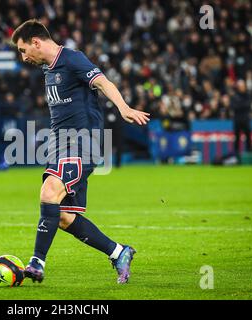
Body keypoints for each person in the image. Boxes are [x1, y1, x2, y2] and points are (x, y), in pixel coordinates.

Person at [11, 20, 150, 284]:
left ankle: (36, 262)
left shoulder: (73, 59)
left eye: (22, 49)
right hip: (60, 144)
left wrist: (123, 108)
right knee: (62, 216)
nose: (23, 56)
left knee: (49, 192)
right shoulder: (48, 69)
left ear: (36, 42)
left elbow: (103, 82)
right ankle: (119, 252)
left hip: (82, 142)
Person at [231, 79, 252, 156]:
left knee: (248, 139)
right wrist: (243, 105)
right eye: (240, 86)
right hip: (237, 120)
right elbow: (233, 106)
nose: (242, 87)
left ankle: (250, 155)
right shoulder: (234, 96)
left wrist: (240, 104)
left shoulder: (248, 95)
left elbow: (248, 105)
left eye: (243, 86)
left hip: (246, 119)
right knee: (237, 139)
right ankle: (236, 156)